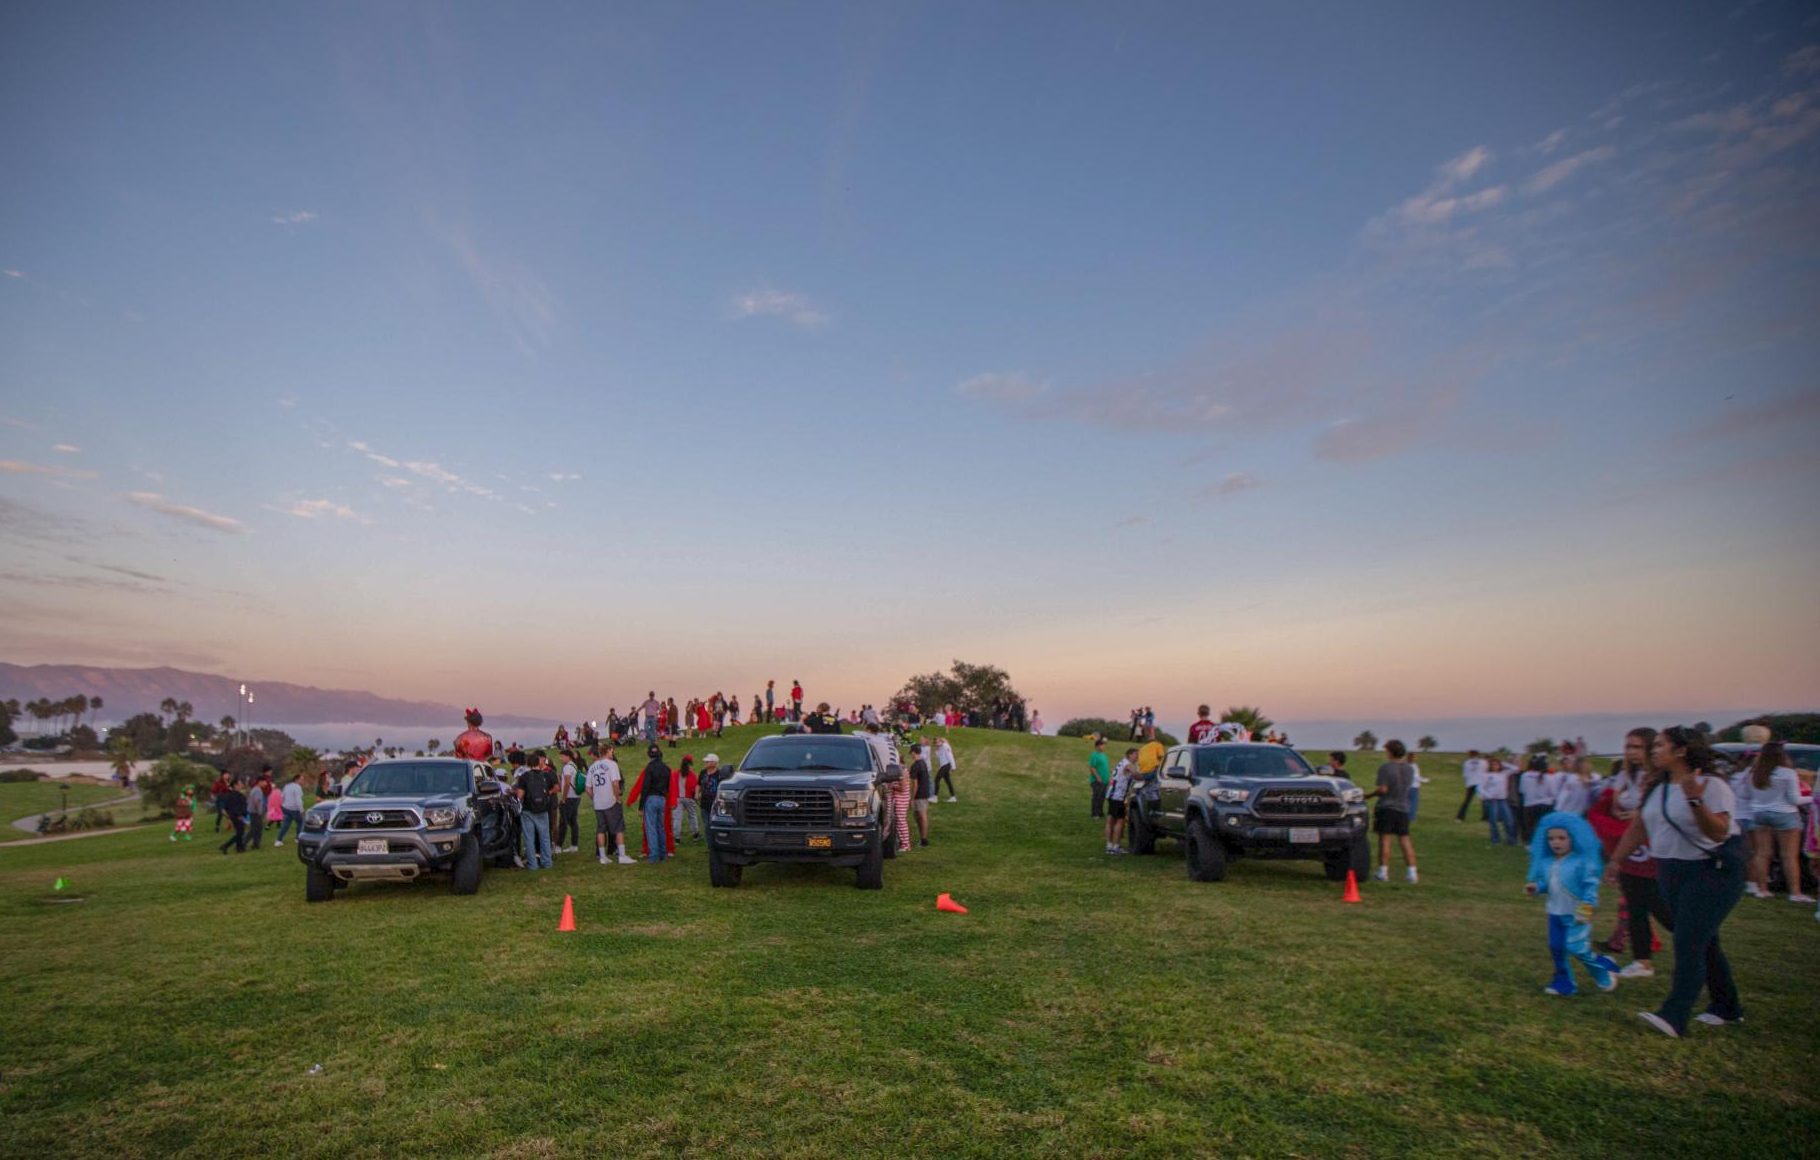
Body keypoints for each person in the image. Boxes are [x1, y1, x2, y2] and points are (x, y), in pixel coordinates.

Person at [1606, 726, 1746, 1038]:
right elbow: (1640, 826)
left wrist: (1696, 801)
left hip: (1712, 871)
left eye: (1659, 745)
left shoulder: (1711, 785)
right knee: (1704, 940)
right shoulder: (1658, 786)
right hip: (1671, 870)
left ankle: (1674, 1014)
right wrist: (1617, 860)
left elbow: (1719, 833)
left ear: (1681, 750)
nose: (1653, 750)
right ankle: (1727, 1007)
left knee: (1688, 940)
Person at [1588, 727, 1672, 976]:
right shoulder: (1626, 776)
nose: (1631, 752)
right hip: (1629, 843)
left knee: (1658, 903)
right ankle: (1642, 960)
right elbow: (1615, 805)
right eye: (1628, 746)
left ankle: (1697, 941)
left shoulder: (1661, 777)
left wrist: (1640, 814)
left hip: (1654, 846)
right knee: (1634, 902)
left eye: (1637, 746)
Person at [1525, 812, 1620, 996]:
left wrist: (1585, 909)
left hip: (1577, 914)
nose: (1556, 842)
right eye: (1551, 838)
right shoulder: (1547, 862)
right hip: (1555, 913)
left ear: (1573, 838)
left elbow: (1591, 888)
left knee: (1577, 948)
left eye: (1561, 837)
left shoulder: (1582, 863)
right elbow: (1550, 884)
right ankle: (1564, 982)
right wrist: (1536, 888)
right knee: (1556, 948)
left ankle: (1603, 972)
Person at [1746, 741, 1813, 903]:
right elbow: (1794, 799)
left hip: (1759, 813)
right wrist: (1813, 798)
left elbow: (1751, 795)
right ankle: (1795, 893)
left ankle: (1762, 889)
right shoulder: (1787, 773)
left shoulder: (1754, 772)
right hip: (1785, 813)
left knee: (1762, 853)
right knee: (1789, 856)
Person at [1365, 740, 1418, 883]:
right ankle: (1412, 872)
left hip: (1387, 807)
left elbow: (1383, 789)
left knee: (1385, 840)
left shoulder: (1385, 768)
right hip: (1403, 807)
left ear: (1390, 752)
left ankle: (1383, 871)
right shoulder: (1410, 768)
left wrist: (1369, 795)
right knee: (1405, 839)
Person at [586, 744, 634, 865]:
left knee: (601, 829)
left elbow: (587, 788)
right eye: (611, 751)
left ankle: (603, 856)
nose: (612, 753)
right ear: (607, 751)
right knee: (618, 828)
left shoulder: (592, 767)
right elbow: (615, 783)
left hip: (598, 803)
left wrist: (595, 797)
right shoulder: (612, 764)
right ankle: (622, 855)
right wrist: (617, 798)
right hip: (610, 801)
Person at [628, 745, 675, 862]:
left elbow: (645, 787)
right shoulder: (667, 769)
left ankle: (654, 855)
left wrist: (640, 806)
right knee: (661, 826)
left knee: (651, 828)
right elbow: (670, 787)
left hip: (651, 798)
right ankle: (663, 852)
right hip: (662, 799)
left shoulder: (649, 768)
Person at [513, 751, 556, 871]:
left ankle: (533, 864)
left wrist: (515, 794)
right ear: (539, 762)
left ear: (527, 763)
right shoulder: (546, 776)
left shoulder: (524, 777)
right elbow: (551, 790)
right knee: (545, 837)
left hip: (528, 810)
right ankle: (547, 862)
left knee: (529, 838)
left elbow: (520, 795)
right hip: (543, 809)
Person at [1105, 747, 1139, 854]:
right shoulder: (1128, 764)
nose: (1137, 757)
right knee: (1119, 821)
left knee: (1110, 820)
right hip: (1119, 796)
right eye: (1136, 755)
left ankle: (1109, 845)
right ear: (1129, 755)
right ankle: (1115, 847)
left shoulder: (1121, 762)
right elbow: (1137, 776)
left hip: (1111, 794)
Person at [1479, 757, 1518, 846]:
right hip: (1492, 800)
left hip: (1502, 799)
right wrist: (1487, 795)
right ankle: (1495, 840)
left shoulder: (1503, 773)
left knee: (1509, 820)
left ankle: (1511, 840)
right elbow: (1480, 787)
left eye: (1496, 764)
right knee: (1493, 821)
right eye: (1493, 765)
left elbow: (1515, 769)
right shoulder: (1487, 775)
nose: (1495, 766)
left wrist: (1504, 763)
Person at [556, 749, 582, 854]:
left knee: (563, 822)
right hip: (576, 797)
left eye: (562, 756)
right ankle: (574, 845)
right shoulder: (574, 766)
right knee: (573, 822)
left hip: (569, 798)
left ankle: (558, 846)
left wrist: (563, 798)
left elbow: (567, 783)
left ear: (568, 756)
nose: (561, 759)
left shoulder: (567, 767)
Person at [674, 755, 703, 841]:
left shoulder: (676, 774)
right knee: (692, 815)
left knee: (677, 818)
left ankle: (677, 837)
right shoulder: (692, 775)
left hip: (678, 798)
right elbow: (694, 788)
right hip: (689, 798)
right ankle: (695, 834)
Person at [908, 743, 932, 847]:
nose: (911, 755)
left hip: (919, 794)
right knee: (918, 815)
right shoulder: (923, 763)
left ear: (914, 753)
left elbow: (914, 784)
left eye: (911, 753)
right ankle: (923, 838)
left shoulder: (915, 765)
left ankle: (924, 840)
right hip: (925, 792)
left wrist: (912, 798)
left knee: (921, 816)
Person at [216, 779, 249, 854]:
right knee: (240, 833)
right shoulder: (235, 796)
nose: (242, 785)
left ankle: (239, 848)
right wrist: (239, 815)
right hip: (237, 816)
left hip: (234, 816)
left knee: (240, 832)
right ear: (235, 785)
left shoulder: (232, 795)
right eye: (240, 783)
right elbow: (235, 807)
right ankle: (225, 846)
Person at [275, 774, 305, 846]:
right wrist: (302, 810)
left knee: (285, 824)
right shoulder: (298, 787)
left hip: (286, 808)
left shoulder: (287, 786)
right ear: (296, 779)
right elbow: (298, 800)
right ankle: (298, 838)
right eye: (302, 779)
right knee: (301, 823)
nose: (303, 781)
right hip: (294, 809)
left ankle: (278, 840)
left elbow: (282, 796)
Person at [1457, 750, 1486, 822]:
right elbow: (1485, 771)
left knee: (1467, 801)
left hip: (1471, 783)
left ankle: (1460, 817)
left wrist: (1467, 784)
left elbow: (1465, 775)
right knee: (1483, 801)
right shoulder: (1483, 762)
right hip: (1480, 783)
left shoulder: (1467, 763)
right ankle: (1485, 817)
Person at [1088, 736, 1111, 819]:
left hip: (1105, 780)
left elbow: (1105, 767)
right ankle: (1095, 814)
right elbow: (1092, 767)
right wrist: (1097, 777)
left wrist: (1108, 778)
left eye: (1104, 745)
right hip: (1097, 781)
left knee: (1102, 797)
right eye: (1102, 745)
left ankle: (1100, 812)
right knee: (1096, 797)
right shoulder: (1094, 755)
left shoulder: (1104, 755)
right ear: (1097, 746)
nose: (1103, 747)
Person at [245, 774, 269, 851]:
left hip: (253, 812)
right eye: (265, 782)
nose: (266, 784)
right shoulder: (258, 790)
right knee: (254, 829)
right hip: (256, 813)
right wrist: (259, 812)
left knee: (258, 829)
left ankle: (256, 844)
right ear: (260, 782)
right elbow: (257, 802)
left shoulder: (254, 789)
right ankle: (242, 843)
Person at [933, 735, 957, 802]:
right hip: (944, 765)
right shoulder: (940, 747)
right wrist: (937, 750)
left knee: (937, 779)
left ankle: (935, 797)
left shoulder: (945, 746)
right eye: (935, 743)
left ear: (940, 741)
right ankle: (953, 797)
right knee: (948, 781)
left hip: (946, 765)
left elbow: (950, 756)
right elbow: (939, 757)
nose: (936, 744)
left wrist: (953, 766)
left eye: (937, 742)